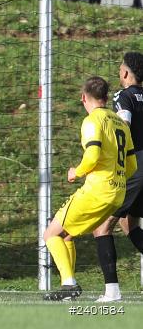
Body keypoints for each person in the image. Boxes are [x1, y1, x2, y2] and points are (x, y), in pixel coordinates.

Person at [43, 76, 136, 301]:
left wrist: (77, 171)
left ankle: (69, 284)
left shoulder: (92, 120)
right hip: (118, 193)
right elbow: (132, 165)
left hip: (97, 191)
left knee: (50, 234)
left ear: (83, 97)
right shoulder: (119, 122)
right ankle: (70, 289)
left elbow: (92, 155)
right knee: (66, 235)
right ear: (105, 97)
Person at [90, 53, 143, 302]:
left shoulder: (123, 97)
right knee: (128, 223)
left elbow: (124, 125)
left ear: (125, 73)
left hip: (135, 167)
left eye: (120, 68)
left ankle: (112, 291)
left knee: (102, 226)